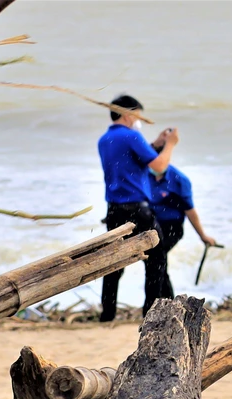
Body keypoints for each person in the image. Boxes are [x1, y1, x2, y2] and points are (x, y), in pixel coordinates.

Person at [97, 94, 179, 321]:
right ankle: (151, 311)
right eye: (138, 115)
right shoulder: (132, 135)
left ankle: (108, 312)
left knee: (114, 261)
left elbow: (131, 160)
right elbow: (160, 166)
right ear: (127, 114)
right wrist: (170, 145)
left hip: (114, 209)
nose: (139, 120)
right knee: (157, 257)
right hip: (137, 208)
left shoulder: (105, 139)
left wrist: (156, 144)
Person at [148, 163, 217, 299]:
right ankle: (167, 302)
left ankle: (154, 305)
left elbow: (190, 211)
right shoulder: (145, 174)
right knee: (157, 263)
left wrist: (202, 235)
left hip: (171, 227)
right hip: (151, 226)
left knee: (156, 261)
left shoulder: (179, 180)